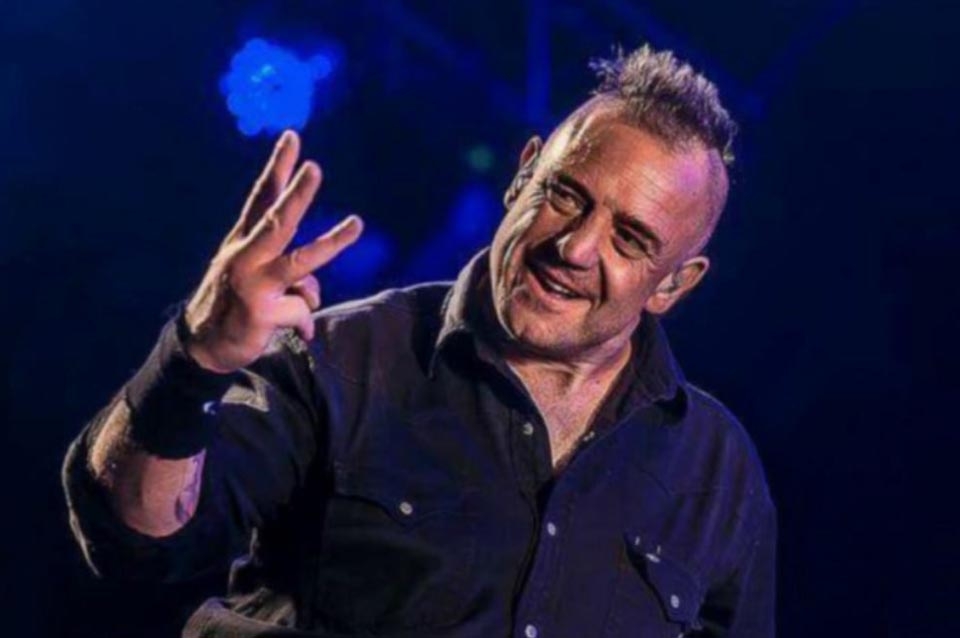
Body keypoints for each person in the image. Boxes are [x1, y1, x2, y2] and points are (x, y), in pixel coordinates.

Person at [63, 45, 776, 637]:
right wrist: (196, 359)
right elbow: (140, 537)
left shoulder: (719, 473)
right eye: (565, 195)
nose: (576, 248)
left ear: (673, 284)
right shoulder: (340, 360)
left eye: (630, 238)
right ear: (523, 173)